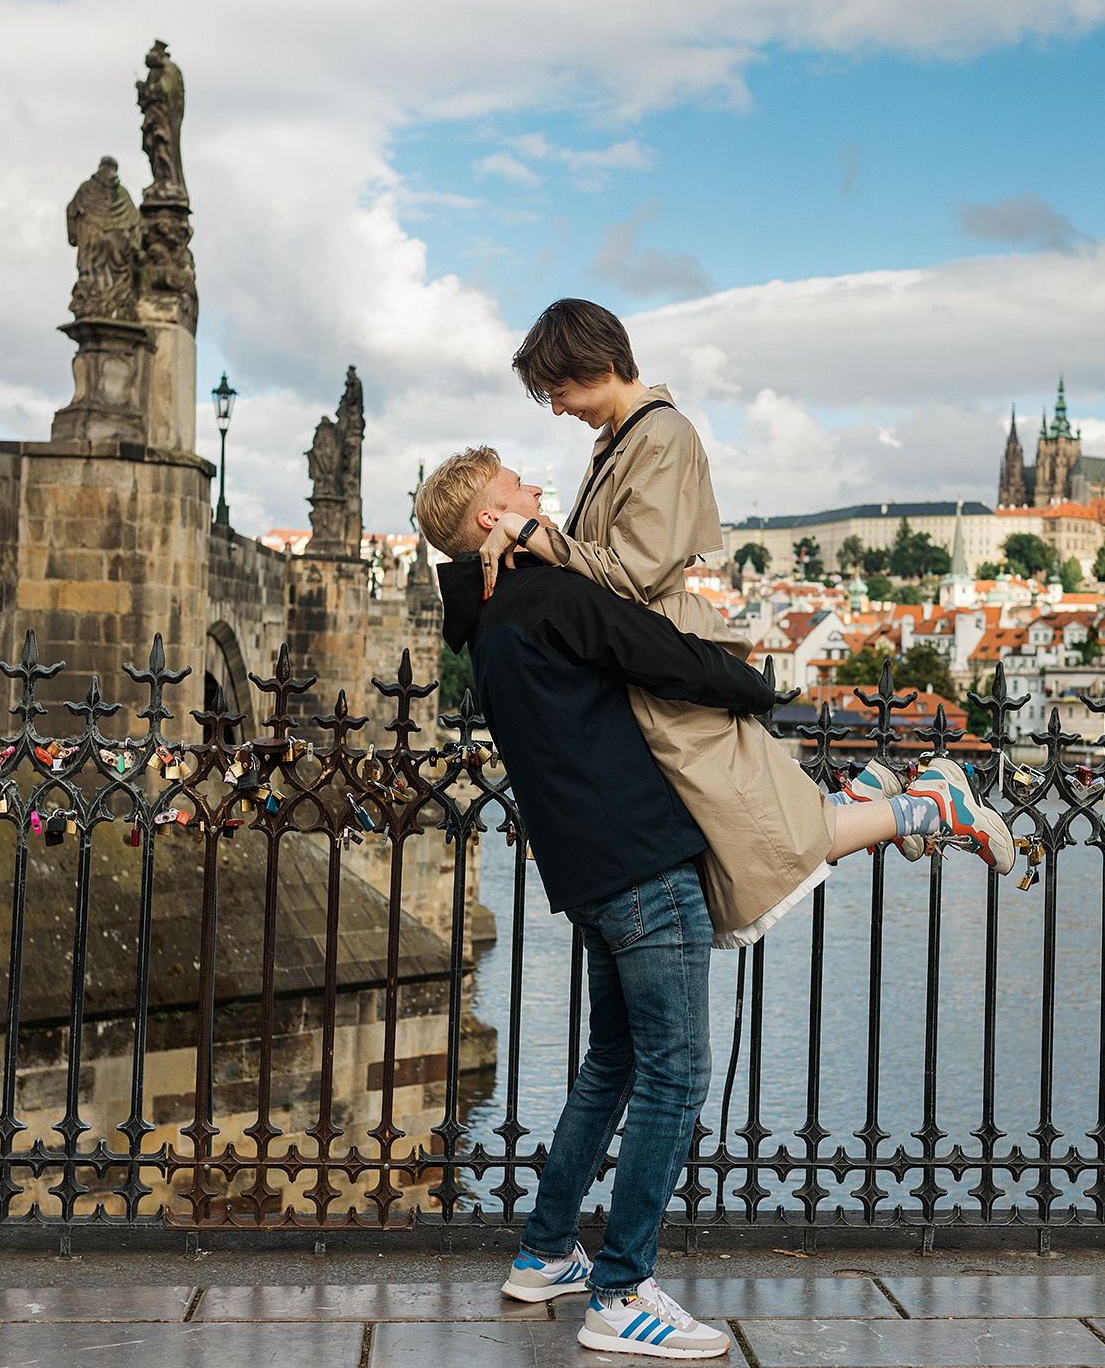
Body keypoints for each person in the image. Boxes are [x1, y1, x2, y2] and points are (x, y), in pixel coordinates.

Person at [428, 449, 1004, 1359]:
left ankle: (544, 1251)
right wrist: (756, 688)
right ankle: (621, 1292)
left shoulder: (487, 627)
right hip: (641, 862)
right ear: (485, 523)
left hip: (587, 872)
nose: (536, 492)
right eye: (515, 492)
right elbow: (659, 654)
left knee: (615, 1057)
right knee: (677, 1070)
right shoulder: (549, 596)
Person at [444, 299, 1012, 947]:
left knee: (763, 838)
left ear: (600, 365)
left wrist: (531, 535)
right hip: (643, 661)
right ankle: (886, 798)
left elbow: (632, 574)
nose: (557, 407)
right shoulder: (616, 440)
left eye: (560, 389)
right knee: (755, 833)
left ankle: (932, 802)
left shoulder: (661, 434)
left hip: (666, 658)